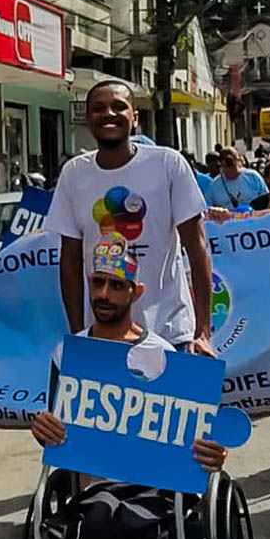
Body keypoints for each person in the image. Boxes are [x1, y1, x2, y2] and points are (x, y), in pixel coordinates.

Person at [26, 236, 227, 539]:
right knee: (101, 516)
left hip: (155, 486)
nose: (102, 294)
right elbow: (56, 420)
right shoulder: (70, 354)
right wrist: (44, 427)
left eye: (115, 286)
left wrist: (211, 452)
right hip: (95, 484)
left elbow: (192, 432)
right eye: (97, 283)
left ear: (135, 293)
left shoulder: (164, 355)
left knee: (130, 518)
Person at [45, 79, 214, 355]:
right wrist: (78, 335)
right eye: (98, 108)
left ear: (134, 118)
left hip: (171, 335)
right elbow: (70, 261)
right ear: (88, 119)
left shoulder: (168, 164)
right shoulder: (73, 174)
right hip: (103, 340)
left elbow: (197, 250)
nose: (109, 113)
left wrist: (203, 333)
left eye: (119, 107)